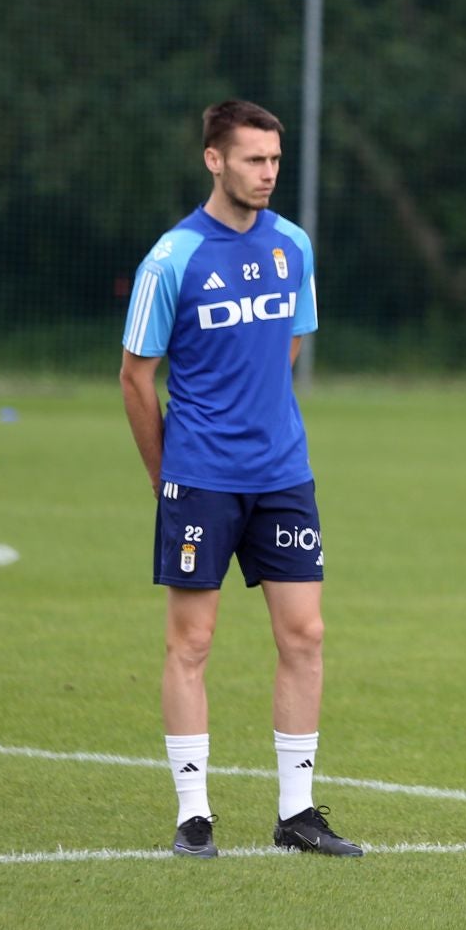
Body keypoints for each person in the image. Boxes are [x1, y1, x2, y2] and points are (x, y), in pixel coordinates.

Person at [119, 99, 360, 859]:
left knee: (306, 633)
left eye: (275, 161)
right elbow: (135, 376)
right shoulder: (172, 258)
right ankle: (194, 814)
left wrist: (258, 412)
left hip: (284, 472)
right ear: (213, 160)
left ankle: (297, 812)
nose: (267, 174)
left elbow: (289, 342)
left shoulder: (294, 246)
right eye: (254, 159)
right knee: (192, 642)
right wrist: (170, 476)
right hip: (201, 478)